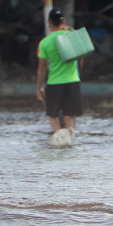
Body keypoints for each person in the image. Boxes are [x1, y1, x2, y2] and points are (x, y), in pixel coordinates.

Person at [37, 8, 83, 138]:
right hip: (72, 81)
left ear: (49, 22)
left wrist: (39, 87)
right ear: (64, 21)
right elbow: (82, 56)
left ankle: (60, 137)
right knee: (69, 116)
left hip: (54, 83)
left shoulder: (44, 42)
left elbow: (42, 68)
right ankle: (69, 142)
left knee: (52, 116)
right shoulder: (71, 37)